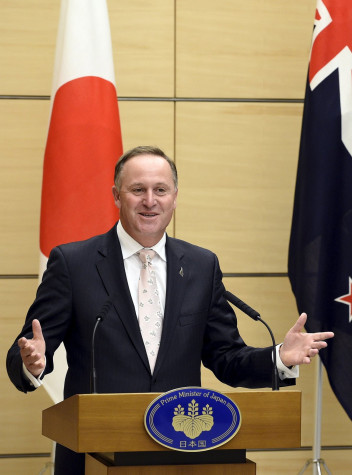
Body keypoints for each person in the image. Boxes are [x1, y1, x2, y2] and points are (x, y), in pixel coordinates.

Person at [6, 145, 334, 474]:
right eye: (138, 190)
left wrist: (279, 358)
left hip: (181, 456)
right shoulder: (74, 264)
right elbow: (27, 348)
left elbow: (227, 357)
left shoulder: (201, 266)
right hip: (93, 455)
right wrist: (30, 362)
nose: (150, 200)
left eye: (160, 190)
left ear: (174, 197)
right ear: (117, 196)